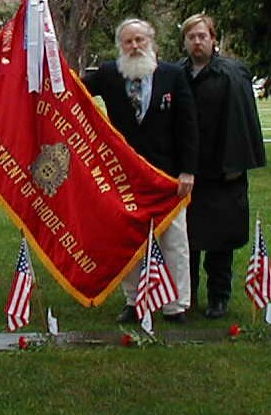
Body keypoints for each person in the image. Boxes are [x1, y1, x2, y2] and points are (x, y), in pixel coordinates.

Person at [83, 18, 198, 323]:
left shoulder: (174, 75)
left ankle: (176, 305)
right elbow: (72, 92)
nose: (134, 47)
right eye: (128, 42)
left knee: (174, 239)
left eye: (140, 41)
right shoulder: (109, 74)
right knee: (128, 238)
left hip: (167, 175)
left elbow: (188, 126)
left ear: (151, 42)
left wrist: (187, 170)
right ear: (120, 46)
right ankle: (134, 301)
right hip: (124, 175)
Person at [179, 14, 266, 318]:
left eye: (203, 35)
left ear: (213, 39)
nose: (197, 41)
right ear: (185, 41)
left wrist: (235, 165)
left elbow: (242, 123)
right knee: (184, 241)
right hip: (188, 171)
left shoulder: (231, 74)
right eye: (191, 36)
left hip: (222, 170)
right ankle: (184, 297)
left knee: (220, 242)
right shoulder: (178, 74)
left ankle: (219, 297)